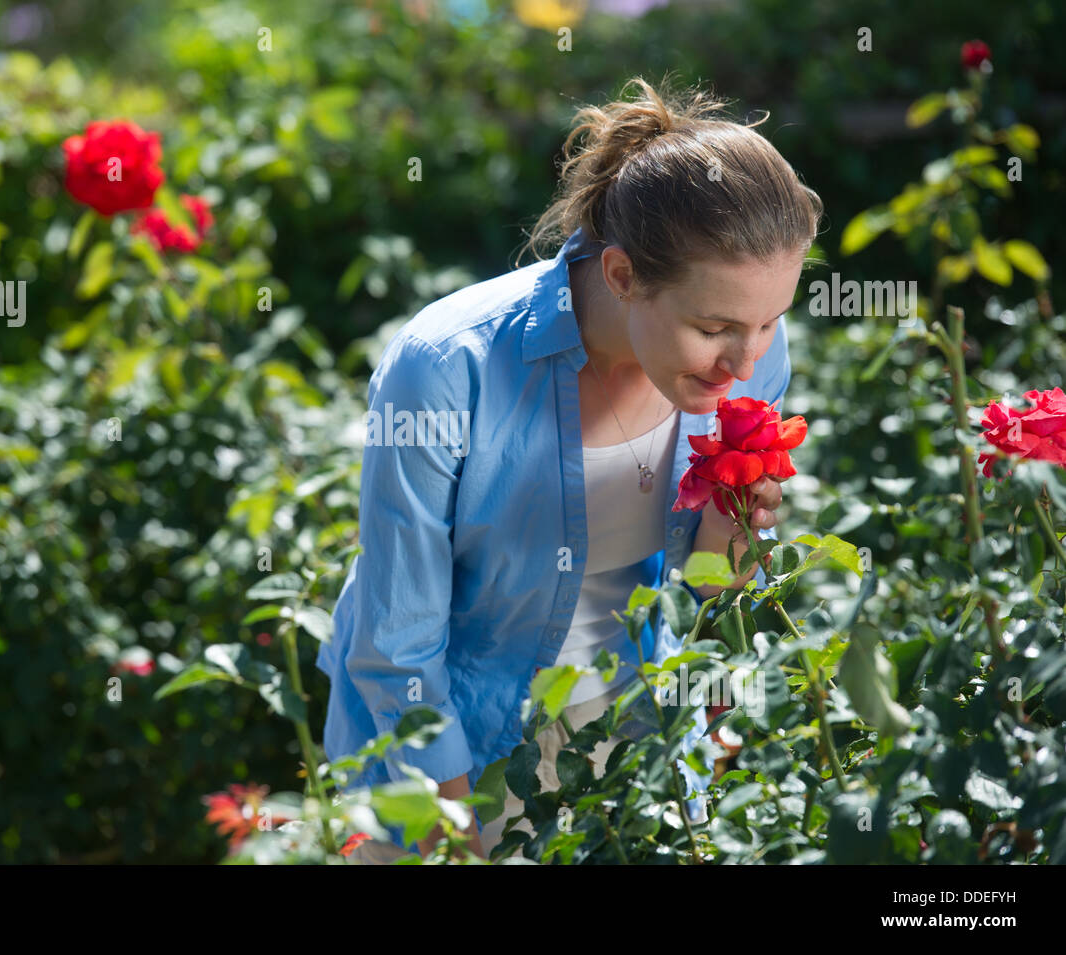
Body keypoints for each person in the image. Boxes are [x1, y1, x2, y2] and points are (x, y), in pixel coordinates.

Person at [315, 76, 823, 864]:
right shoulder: (447, 367)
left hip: (625, 728)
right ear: (622, 276)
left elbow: (711, 584)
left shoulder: (749, 355)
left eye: (771, 320)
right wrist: (456, 836)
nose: (747, 357)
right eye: (715, 325)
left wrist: (733, 532)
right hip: (447, 739)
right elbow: (396, 638)